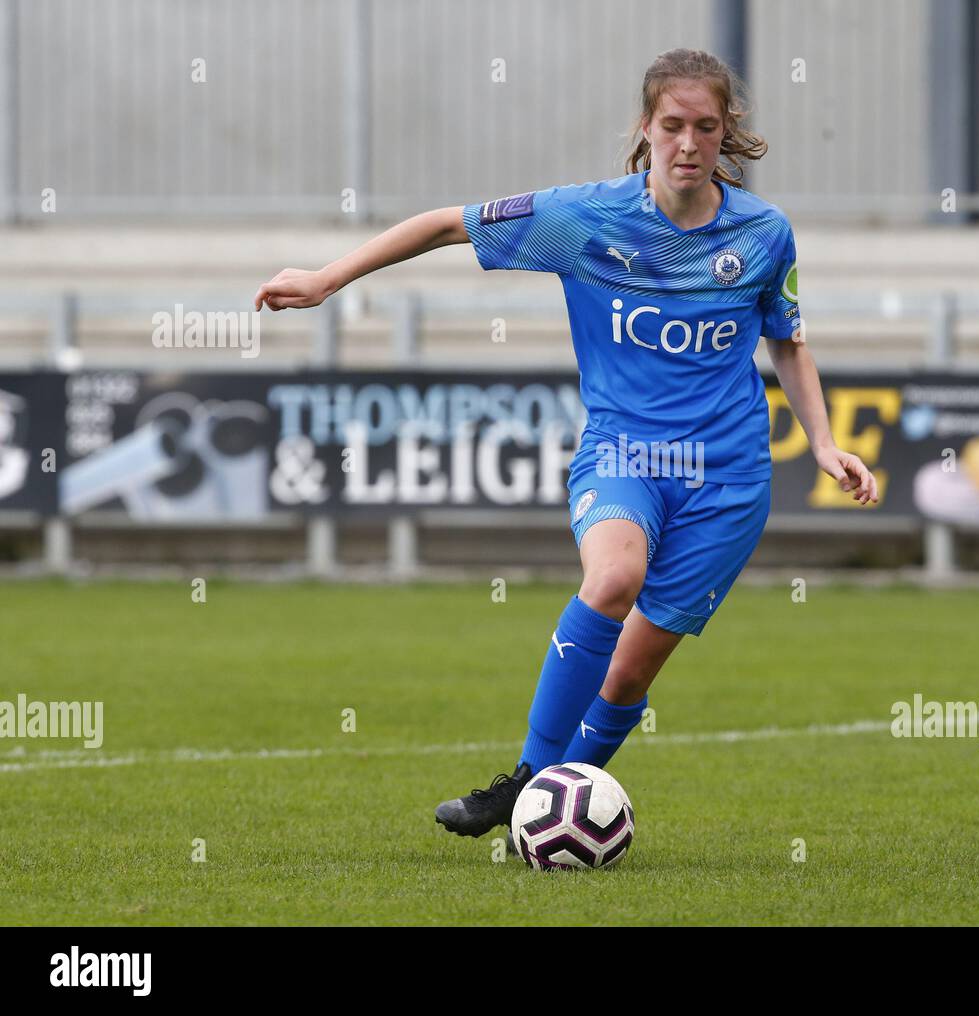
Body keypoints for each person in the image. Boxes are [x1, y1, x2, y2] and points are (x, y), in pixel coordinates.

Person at [254, 48, 877, 844]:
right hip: (625, 457)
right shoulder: (584, 218)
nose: (689, 143)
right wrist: (328, 277)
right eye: (673, 125)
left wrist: (823, 443)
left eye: (706, 127)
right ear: (646, 128)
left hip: (728, 481)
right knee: (615, 577)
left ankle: (556, 807)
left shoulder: (763, 234)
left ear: (728, 135)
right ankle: (527, 785)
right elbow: (448, 223)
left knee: (629, 672)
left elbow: (787, 343)